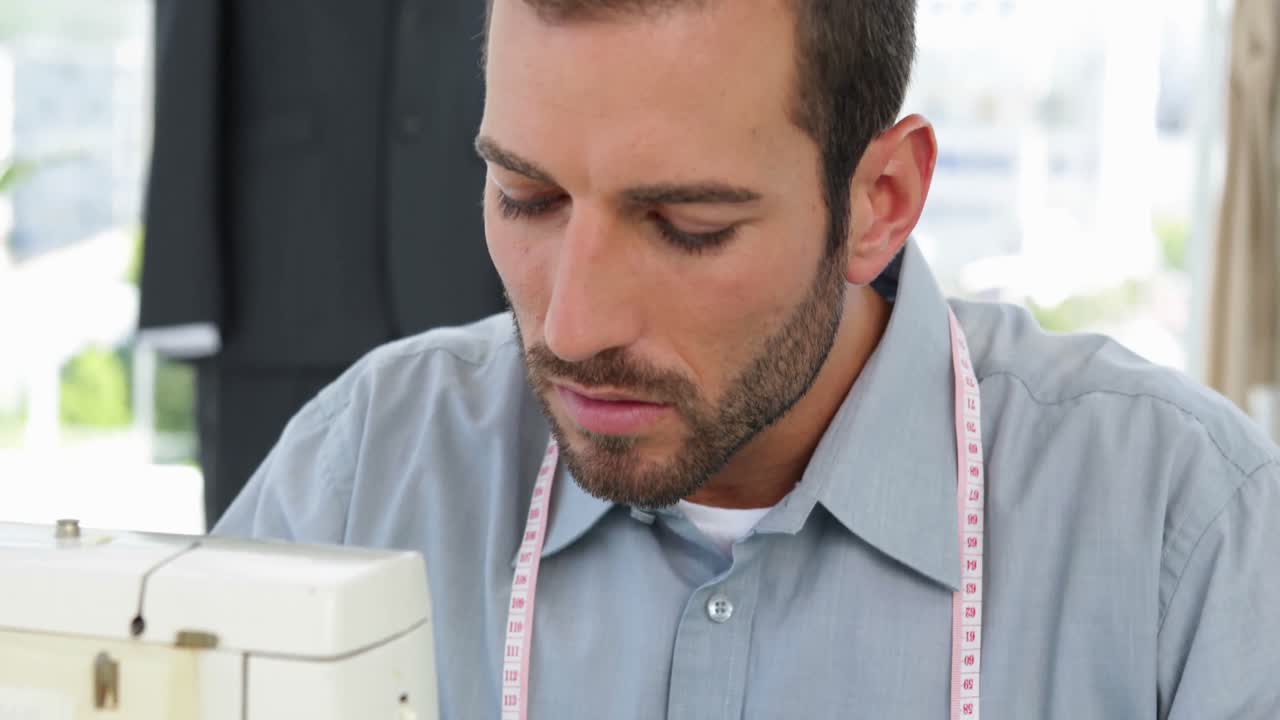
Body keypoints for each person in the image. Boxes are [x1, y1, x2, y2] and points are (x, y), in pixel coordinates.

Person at [213, 0, 1280, 717]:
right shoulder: (362, 473)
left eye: (684, 223)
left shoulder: (1185, 539)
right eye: (526, 199)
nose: (572, 327)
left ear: (879, 202)